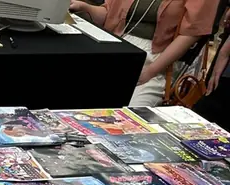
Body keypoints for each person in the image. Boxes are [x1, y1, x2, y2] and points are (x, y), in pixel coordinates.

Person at [69, 0, 218, 106]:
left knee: (128, 113)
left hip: (158, 59)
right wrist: (85, 7)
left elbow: (191, 34)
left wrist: (151, 71)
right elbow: (109, 14)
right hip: (114, 47)